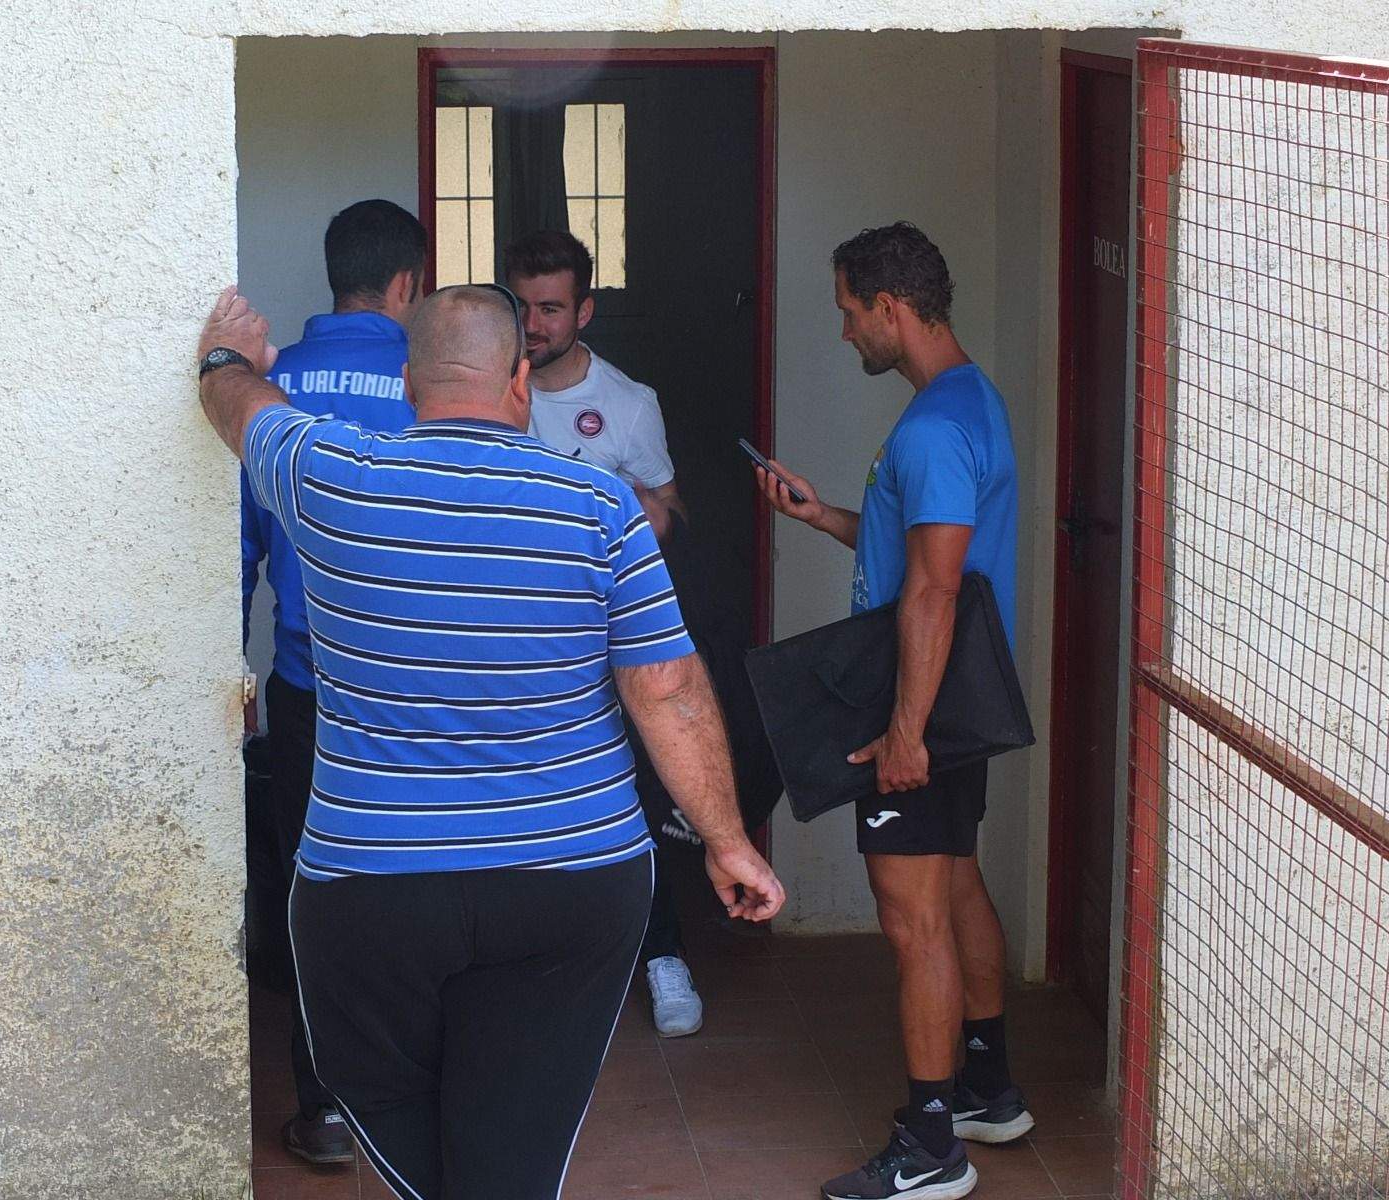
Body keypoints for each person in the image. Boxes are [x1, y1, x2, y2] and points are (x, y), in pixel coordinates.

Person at [199, 282, 786, 1200]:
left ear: (408, 381)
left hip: (372, 894)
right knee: (511, 1151)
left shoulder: (329, 474)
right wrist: (728, 840)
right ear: (519, 379)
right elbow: (666, 688)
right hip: (569, 885)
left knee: (396, 1114)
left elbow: (244, 412)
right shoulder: (599, 507)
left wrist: (225, 357)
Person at [755, 223, 1032, 1200]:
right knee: (954, 886)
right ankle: (987, 1089)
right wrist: (823, 513)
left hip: (925, 698)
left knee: (912, 921)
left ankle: (930, 1145)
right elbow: (911, 552)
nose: (843, 334)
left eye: (846, 312)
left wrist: (905, 729)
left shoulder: (932, 429)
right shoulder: (968, 401)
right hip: (961, 688)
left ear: (890, 308)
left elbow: (932, 591)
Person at [240, 198, 427, 1166]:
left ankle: (321, 1108)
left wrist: (229, 688)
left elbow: (231, 560)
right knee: (423, 888)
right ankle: (412, 1097)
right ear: (406, 285)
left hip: (308, 690)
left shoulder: (270, 391)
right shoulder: (437, 386)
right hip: (418, 698)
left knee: (316, 893)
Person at [504, 229, 704, 1038]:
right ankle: (532, 973)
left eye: (551, 307)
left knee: (636, 799)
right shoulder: (486, 391)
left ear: (583, 308)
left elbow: (673, 516)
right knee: (520, 803)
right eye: (519, 305)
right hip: (514, 644)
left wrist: (628, 508)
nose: (534, 323)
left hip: (606, 644)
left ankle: (663, 957)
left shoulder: (628, 403)